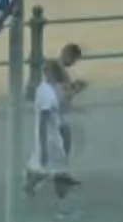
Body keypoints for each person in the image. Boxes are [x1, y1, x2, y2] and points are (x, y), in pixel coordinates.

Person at [25, 44, 88, 200]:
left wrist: (74, 89)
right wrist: (75, 90)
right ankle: (55, 190)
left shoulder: (57, 78)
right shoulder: (51, 86)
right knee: (48, 162)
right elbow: (61, 99)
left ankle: (57, 186)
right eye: (73, 60)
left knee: (53, 161)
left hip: (60, 123)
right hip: (55, 127)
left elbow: (63, 97)